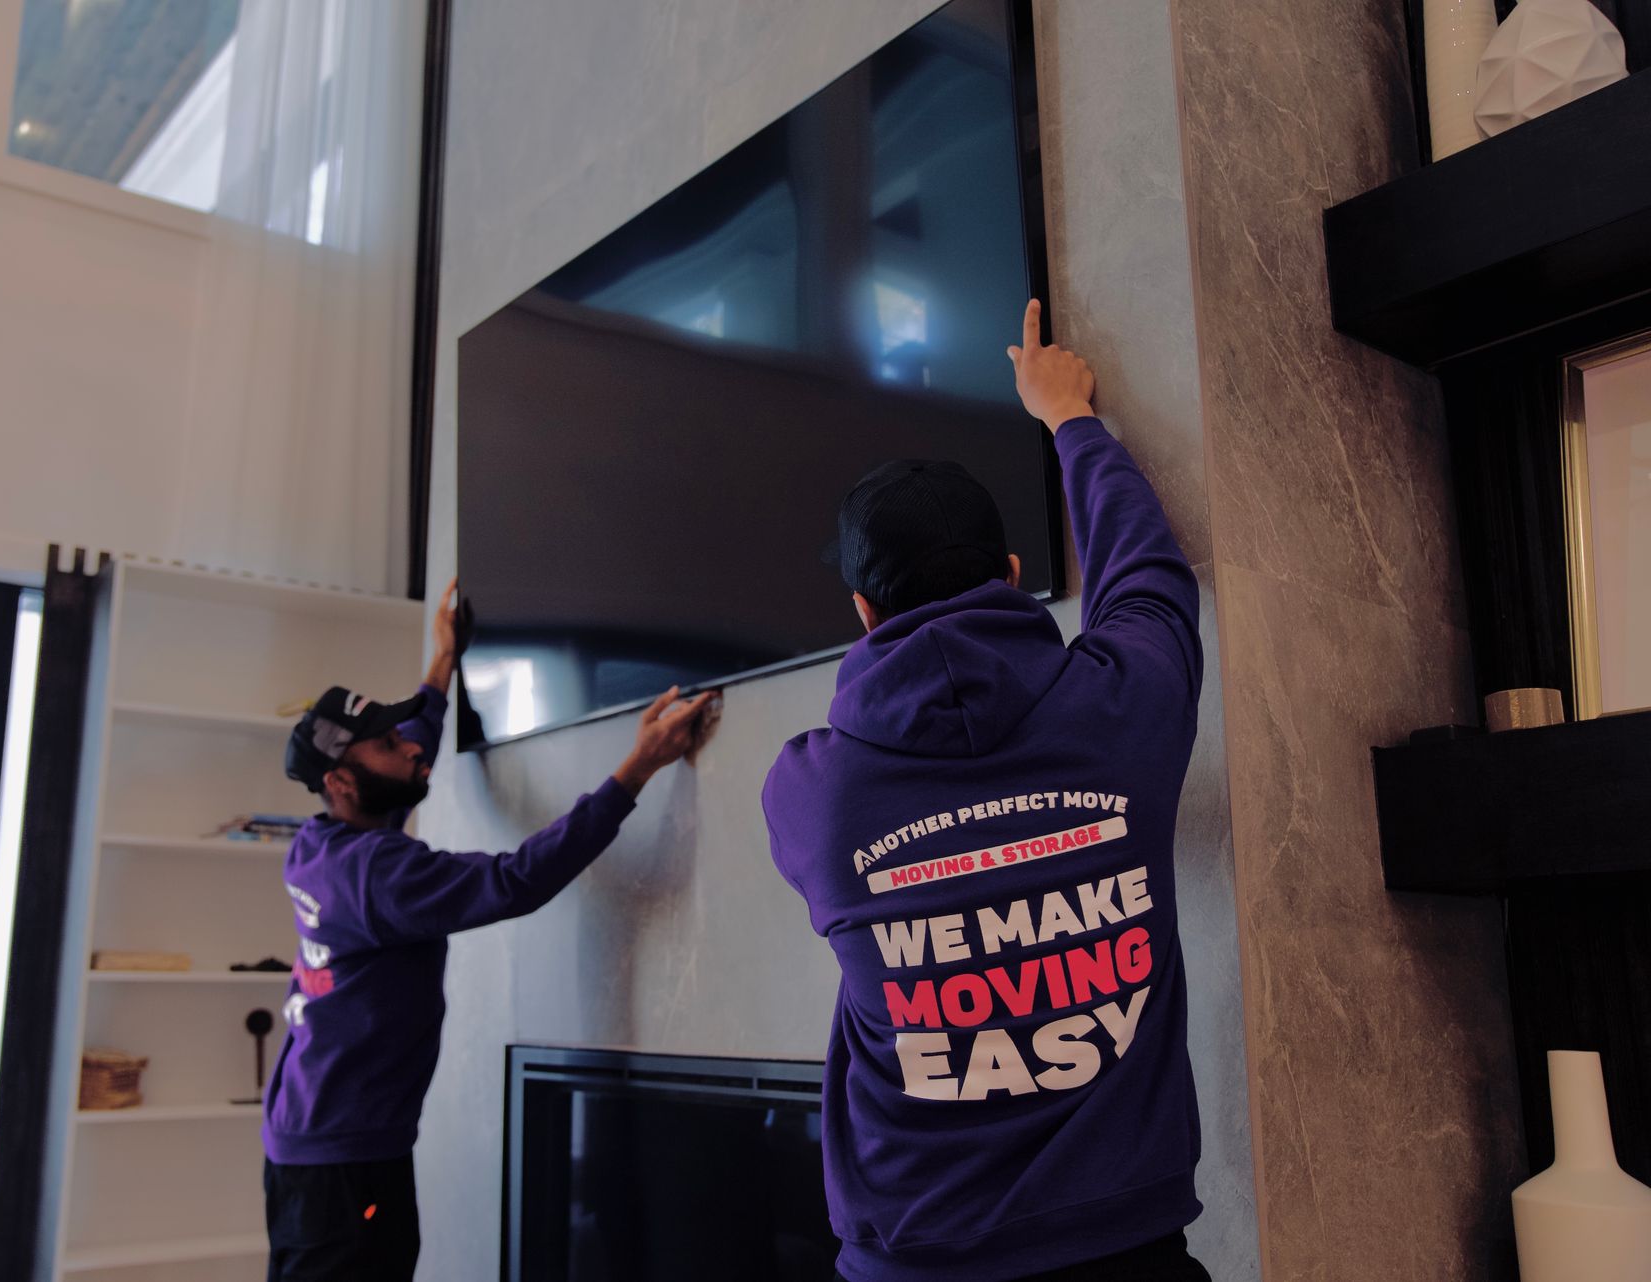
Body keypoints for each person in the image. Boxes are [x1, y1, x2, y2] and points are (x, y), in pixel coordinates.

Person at [760, 299, 1210, 1282]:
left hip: (910, 1256)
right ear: (1012, 574)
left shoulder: (810, 792)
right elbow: (1149, 575)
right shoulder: (1125, 710)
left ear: (862, 610)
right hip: (1127, 1250)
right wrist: (1069, 419)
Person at [263, 579, 715, 1281]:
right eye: (386, 743)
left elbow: (414, 742)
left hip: (314, 1138)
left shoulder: (320, 843)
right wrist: (640, 766)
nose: (412, 750)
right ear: (344, 783)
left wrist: (443, 662)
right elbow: (515, 882)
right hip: (346, 1165)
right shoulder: (379, 873)